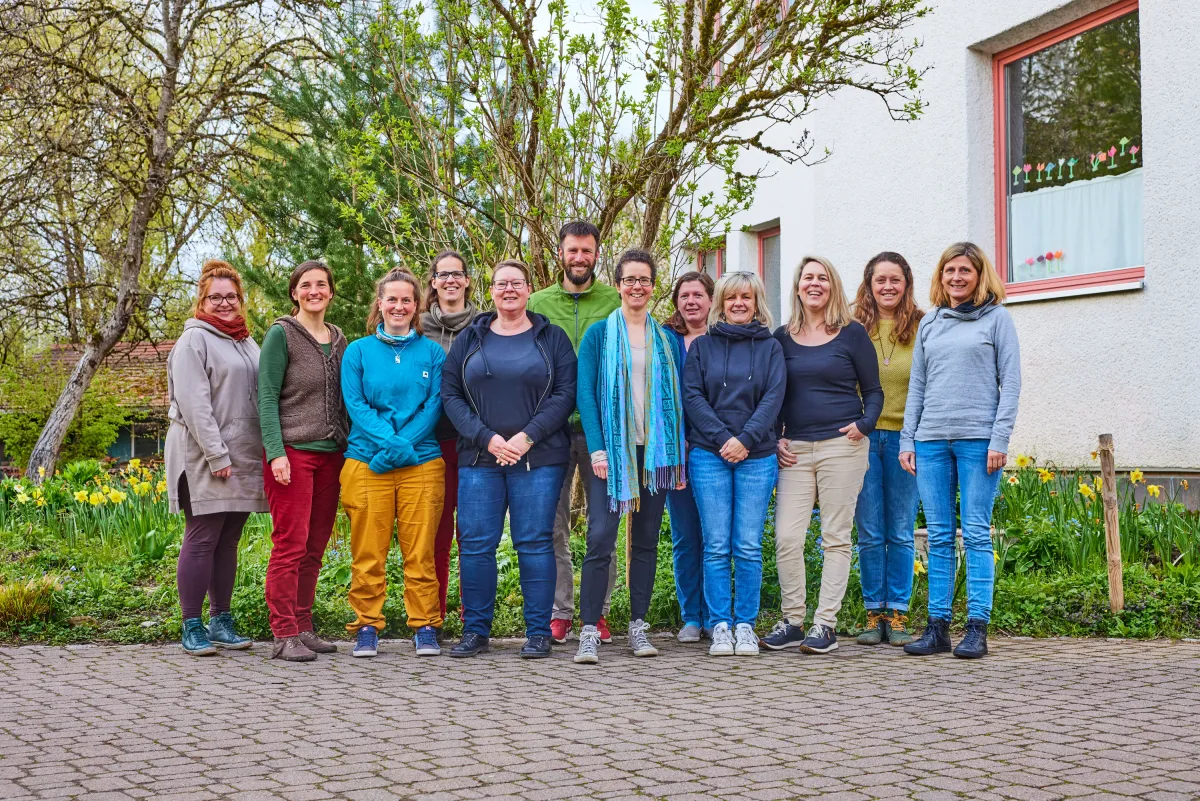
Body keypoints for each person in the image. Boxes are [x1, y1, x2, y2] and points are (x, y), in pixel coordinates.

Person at [441, 260, 577, 659]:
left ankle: (537, 632)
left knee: (534, 542)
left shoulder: (551, 338)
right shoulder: (471, 338)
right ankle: (475, 631)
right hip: (479, 458)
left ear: (529, 289)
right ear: (491, 290)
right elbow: (450, 395)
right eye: (502, 284)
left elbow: (564, 394)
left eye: (517, 283)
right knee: (476, 544)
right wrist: (488, 438)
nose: (509, 290)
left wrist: (525, 437)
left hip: (539, 458)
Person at [901, 242, 1021, 660]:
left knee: (974, 533)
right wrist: (907, 439)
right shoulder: (931, 322)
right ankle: (937, 628)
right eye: (949, 270)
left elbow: (1011, 384)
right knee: (937, 536)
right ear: (941, 276)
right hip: (930, 440)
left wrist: (1000, 440)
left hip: (978, 442)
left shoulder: (998, 320)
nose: (956, 277)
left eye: (965, 271)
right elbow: (917, 386)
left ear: (979, 275)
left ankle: (977, 628)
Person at [763, 256, 883, 655]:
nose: (814, 284)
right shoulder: (781, 337)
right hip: (794, 448)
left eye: (822, 278)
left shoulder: (852, 334)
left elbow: (874, 391)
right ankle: (793, 620)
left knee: (835, 537)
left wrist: (864, 425)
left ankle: (825, 624)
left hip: (841, 447)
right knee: (787, 537)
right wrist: (774, 436)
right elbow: (774, 394)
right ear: (797, 286)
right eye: (807, 278)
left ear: (832, 285)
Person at [574, 249, 687, 665]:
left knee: (645, 542)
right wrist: (598, 446)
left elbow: (680, 399)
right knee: (600, 537)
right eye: (629, 279)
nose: (636, 287)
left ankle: (638, 626)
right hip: (611, 451)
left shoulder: (667, 339)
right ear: (618, 285)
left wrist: (679, 455)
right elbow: (585, 393)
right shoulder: (599, 335)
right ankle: (589, 628)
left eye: (644, 280)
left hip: (655, 451)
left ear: (653, 287)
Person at [340, 269, 447, 658]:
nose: (399, 306)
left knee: (420, 551)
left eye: (407, 300)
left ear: (417, 305)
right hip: (367, 463)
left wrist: (400, 448)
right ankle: (367, 625)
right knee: (368, 551)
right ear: (379, 304)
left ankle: (425, 626)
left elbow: (434, 405)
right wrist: (390, 445)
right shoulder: (358, 351)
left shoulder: (433, 353)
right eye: (392, 299)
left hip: (422, 463)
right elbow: (356, 405)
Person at [165, 259, 267, 656]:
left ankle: (221, 620)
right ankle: (191, 624)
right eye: (215, 297)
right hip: (203, 454)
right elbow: (194, 405)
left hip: (242, 453)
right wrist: (216, 454)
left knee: (228, 541)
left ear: (240, 300)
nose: (224, 303)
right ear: (202, 301)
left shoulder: (245, 340)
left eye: (231, 297)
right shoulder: (193, 341)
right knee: (203, 537)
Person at [527, 221, 621, 645]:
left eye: (587, 251)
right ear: (560, 253)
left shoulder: (615, 301)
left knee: (604, 527)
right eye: (572, 251)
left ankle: (596, 612)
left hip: (603, 430)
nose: (579, 258)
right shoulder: (537, 302)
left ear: (597, 255)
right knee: (551, 526)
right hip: (550, 429)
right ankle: (559, 612)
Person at [683, 272, 785, 657]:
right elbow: (692, 397)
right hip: (709, 455)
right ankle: (719, 625)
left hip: (757, 456)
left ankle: (745, 624)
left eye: (746, 297)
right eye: (731, 298)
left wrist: (745, 440)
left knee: (746, 545)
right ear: (720, 304)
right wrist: (725, 438)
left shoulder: (771, 348)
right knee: (715, 545)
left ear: (757, 302)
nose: (739, 303)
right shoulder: (702, 348)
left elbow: (773, 398)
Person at [259, 260, 349, 662]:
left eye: (322, 285)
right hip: (293, 454)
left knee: (315, 547)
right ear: (294, 292)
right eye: (306, 285)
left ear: (331, 292)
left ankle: (303, 624)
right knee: (290, 545)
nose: (315, 291)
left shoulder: (340, 338)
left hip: (332, 455)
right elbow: (266, 398)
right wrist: (276, 452)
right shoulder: (281, 335)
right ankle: (283, 633)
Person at [419, 250, 480, 619]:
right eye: (443, 275)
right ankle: (433, 615)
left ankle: (472, 616)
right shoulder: (418, 326)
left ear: (468, 280)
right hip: (432, 443)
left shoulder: (485, 325)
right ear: (433, 282)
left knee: (472, 535)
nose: (451, 281)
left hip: (474, 443)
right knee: (435, 537)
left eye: (457, 274)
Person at [665, 271, 714, 643]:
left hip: (714, 449)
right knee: (685, 536)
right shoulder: (665, 340)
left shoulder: (724, 340)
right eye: (685, 296)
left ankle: (716, 615)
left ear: (712, 300)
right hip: (674, 452)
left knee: (716, 536)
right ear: (676, 302)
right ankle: (691, 616)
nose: (692, 301)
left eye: (699, 294)